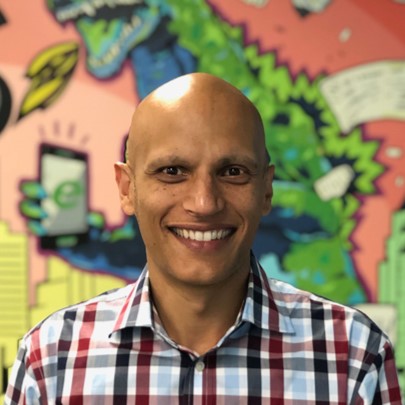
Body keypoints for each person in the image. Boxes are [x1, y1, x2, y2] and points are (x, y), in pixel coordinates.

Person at [5, 73, 402, 404]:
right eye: (172, 171)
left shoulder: (354, 354)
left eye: (232, 172)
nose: (204, 203)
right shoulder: (51, 359)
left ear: (266, 190)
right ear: (127, 188)